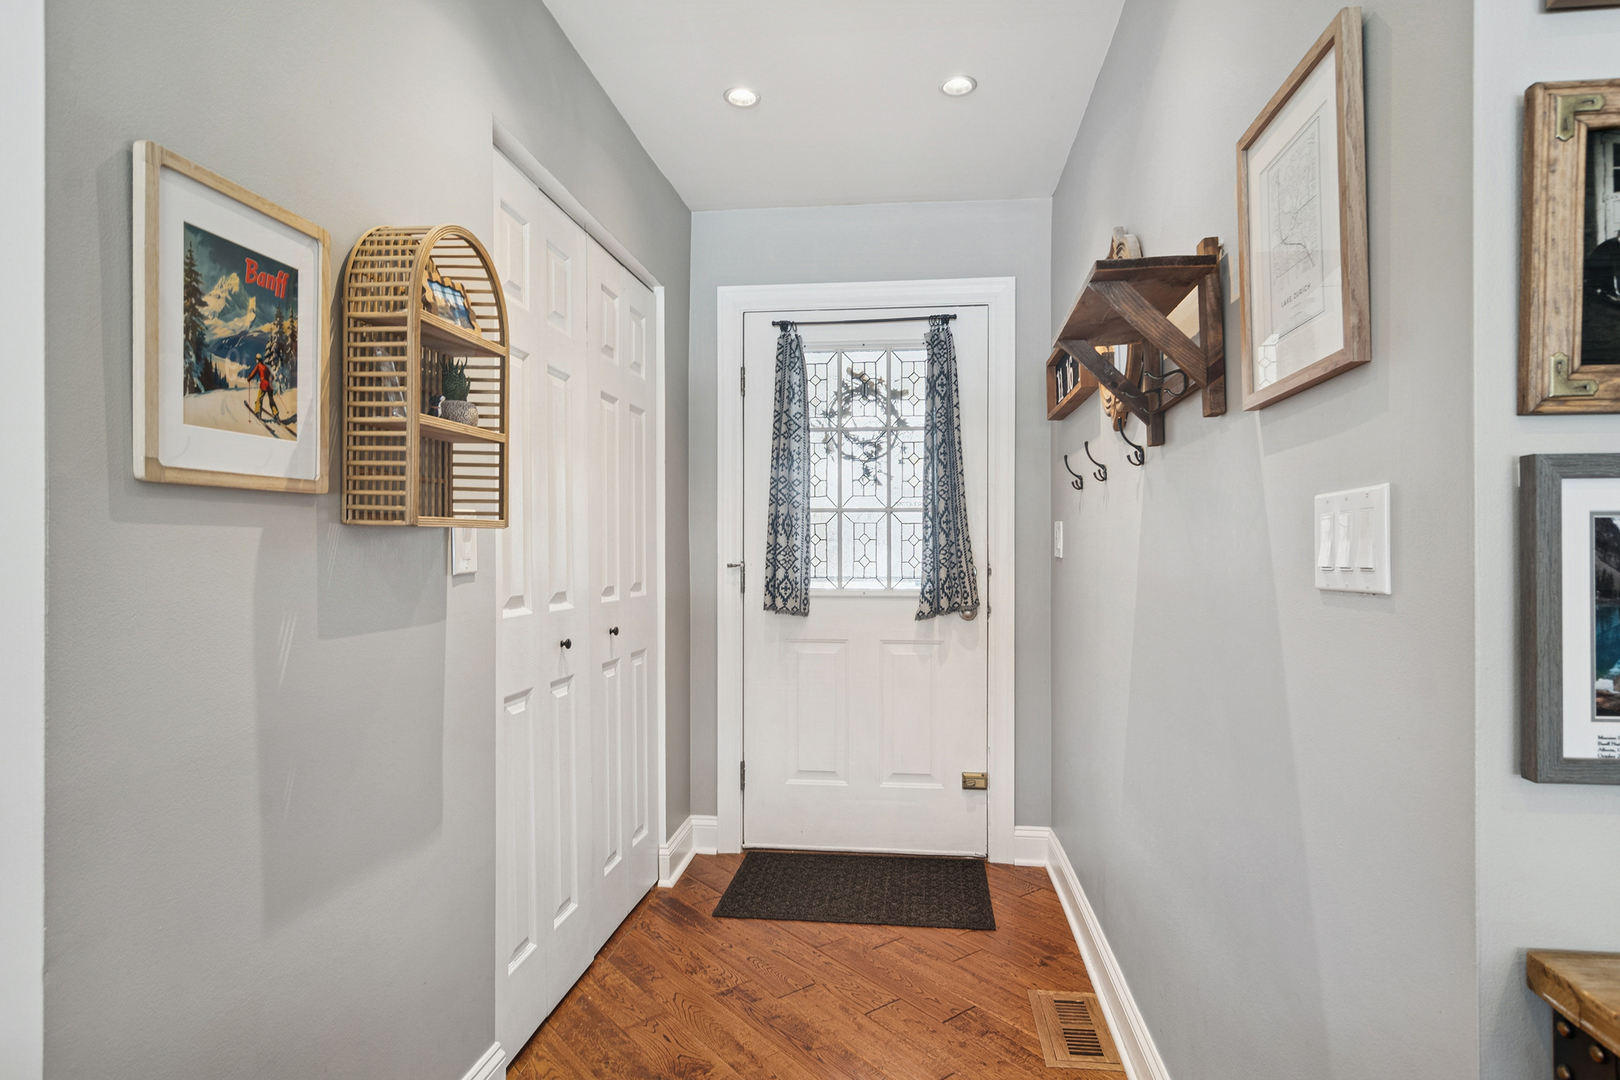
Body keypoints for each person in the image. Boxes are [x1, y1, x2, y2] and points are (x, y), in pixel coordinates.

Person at [246, 353, 279, 420]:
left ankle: (258, 412)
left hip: (264, 385)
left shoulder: (258, 366)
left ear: (257, 360)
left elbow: (253, 373)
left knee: (259, 399)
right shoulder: (266, 367)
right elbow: (272, 377)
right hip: (270, 385)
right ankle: (275, 413)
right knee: (271, 400)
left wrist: (249, 378)